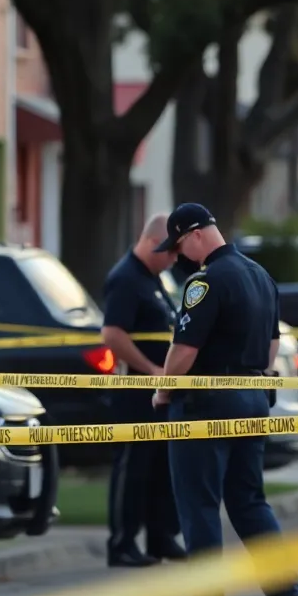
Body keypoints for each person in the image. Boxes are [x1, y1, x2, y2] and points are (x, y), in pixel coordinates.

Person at [145, 203, 298, 596]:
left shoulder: (204, 282)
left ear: (196, 234)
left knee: (198, 506)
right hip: (253, 401)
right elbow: (272, 348)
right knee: (249, 502)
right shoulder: (262, 277)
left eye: (180, 245)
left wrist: (164, 391)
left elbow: (184, 350)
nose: (181, 256)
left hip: (204, 406)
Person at [101, 212, 187, 568]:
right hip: (136, 391)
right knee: (133, 468)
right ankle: (122, 542)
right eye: (169, 252)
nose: (173, 260)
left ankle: (160, 536)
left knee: (160, 469)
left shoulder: (153, 279)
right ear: (153, 242)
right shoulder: (126, 278)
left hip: (158, 393)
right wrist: (150, 369)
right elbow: (113, 335)